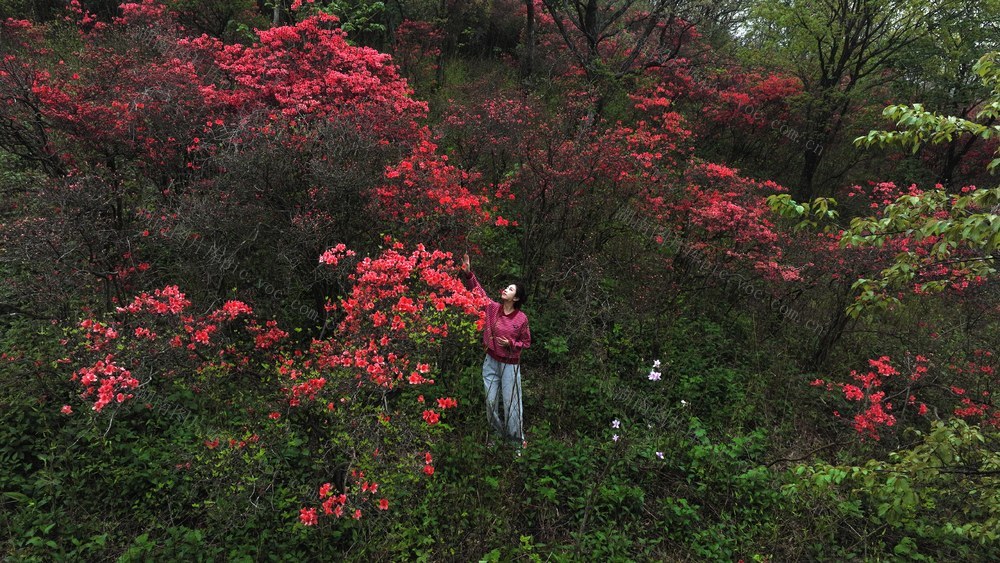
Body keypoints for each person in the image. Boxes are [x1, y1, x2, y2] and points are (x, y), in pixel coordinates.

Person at [461, 253, 531, 450]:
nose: (505, 290)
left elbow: (526, 343)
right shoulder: (492, 308)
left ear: (515, 297)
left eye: (510, 289)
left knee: (511, 405)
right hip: (490, 361)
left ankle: (516, 442)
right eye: (506, 287)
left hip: (510, 365)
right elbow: (479, 292)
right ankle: (497, 436)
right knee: (490, 401)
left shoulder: (521, 319)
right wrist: (468, 275)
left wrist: (511, 344)